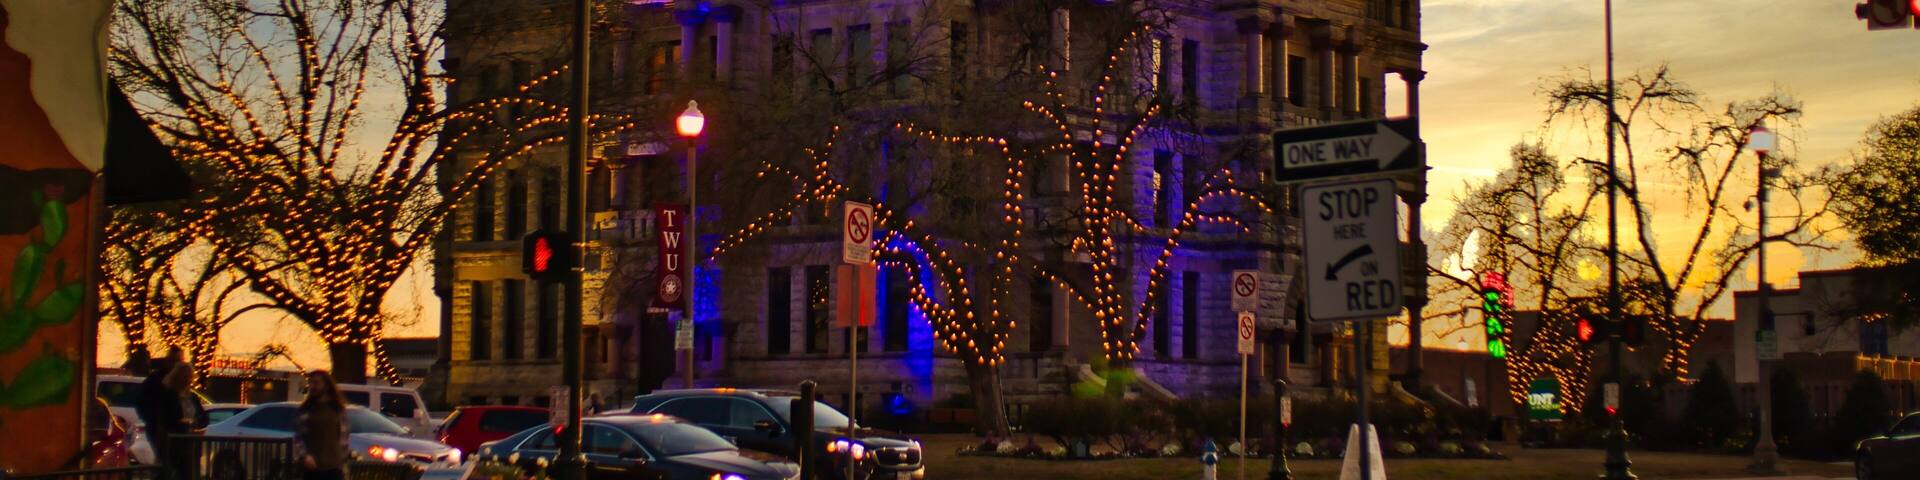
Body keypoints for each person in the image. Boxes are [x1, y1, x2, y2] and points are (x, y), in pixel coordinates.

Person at [135, 363, 192, 479]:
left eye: (189, 377)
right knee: (170, 468)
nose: (188, 380)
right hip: (170, 437)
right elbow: (168, 417)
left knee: (174, 468)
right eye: (185, 377)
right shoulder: (168, 395)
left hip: (181, 439)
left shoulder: (187, 396)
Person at [295, 371, 350, 480]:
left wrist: (342, 462)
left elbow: (343, 438)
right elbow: (299, 436)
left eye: (316, 383)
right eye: (310, 383)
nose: (312, 386)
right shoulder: (307, 409)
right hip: (312, 467)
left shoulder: (337, 409)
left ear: (326, 385)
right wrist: (305, 456)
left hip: (334, 468)